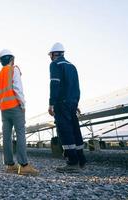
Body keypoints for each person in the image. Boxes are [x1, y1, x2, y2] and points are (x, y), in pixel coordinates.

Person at [0, 49, 38, 176]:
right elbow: (18, 88)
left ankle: (10, 165)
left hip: (4, 109)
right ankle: (24, 165)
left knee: (6, 136)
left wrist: (4, 103)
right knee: (20, 135)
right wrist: (22, 104)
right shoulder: (14, 70)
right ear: (11, 59)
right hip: (15, 106)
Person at [47, 43, 87, 173]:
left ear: (53, 54)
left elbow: (55, 84)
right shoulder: (72, 66)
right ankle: (81, 160)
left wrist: (51, 103)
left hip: (61, 103)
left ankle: (72, 162)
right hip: (72, 102)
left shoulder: (55, 65)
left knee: (65, 130)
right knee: (75, 130)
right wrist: (76, 103)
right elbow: (77, 87)